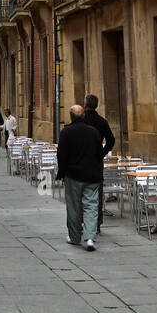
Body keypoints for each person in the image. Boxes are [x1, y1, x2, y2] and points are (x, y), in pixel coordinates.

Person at [56, 105, 105, 250]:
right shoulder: (94, 132)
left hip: (74, 175)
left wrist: (62, 173)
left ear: (71, 117)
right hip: (92, 176)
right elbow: (99, 153)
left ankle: (75, 237)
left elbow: (62, 156)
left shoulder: (66, 132)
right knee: (91, 206)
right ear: (83, 116)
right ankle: (90, 237)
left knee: (74, 207)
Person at [82, 94, 116, 231]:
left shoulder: (81, 120)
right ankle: (97, 222)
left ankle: (84, 221)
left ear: (85, 105)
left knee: (82, 192)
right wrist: (102, 153)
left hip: (82, 160)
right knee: (97, 191)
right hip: (96, 160)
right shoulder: (102, 121)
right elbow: (111, 140)